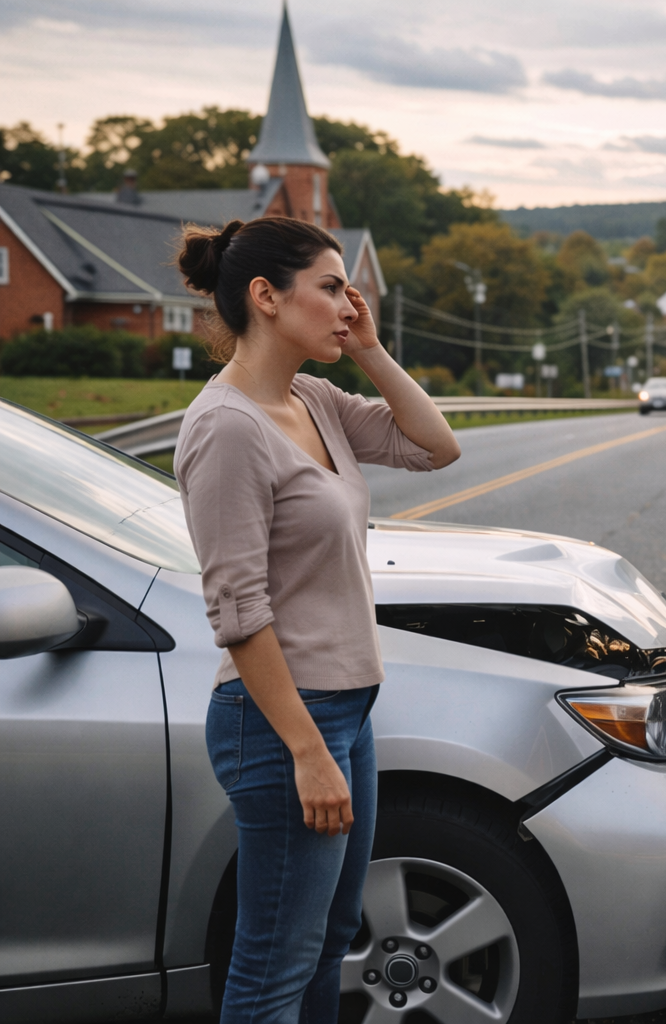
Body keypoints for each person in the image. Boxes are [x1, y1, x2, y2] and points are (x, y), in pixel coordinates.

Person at [174, 217, 461, 1023]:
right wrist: (307, 750)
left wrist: (368, 349)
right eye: (331, 288)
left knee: (328, 940)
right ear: (266, 297)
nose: (348, 303)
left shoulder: (311, 397)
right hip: (280, 723)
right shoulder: (227, 429)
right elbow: (237, 611)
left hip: (344, 708)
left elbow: (435, 448)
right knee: (273, 964)